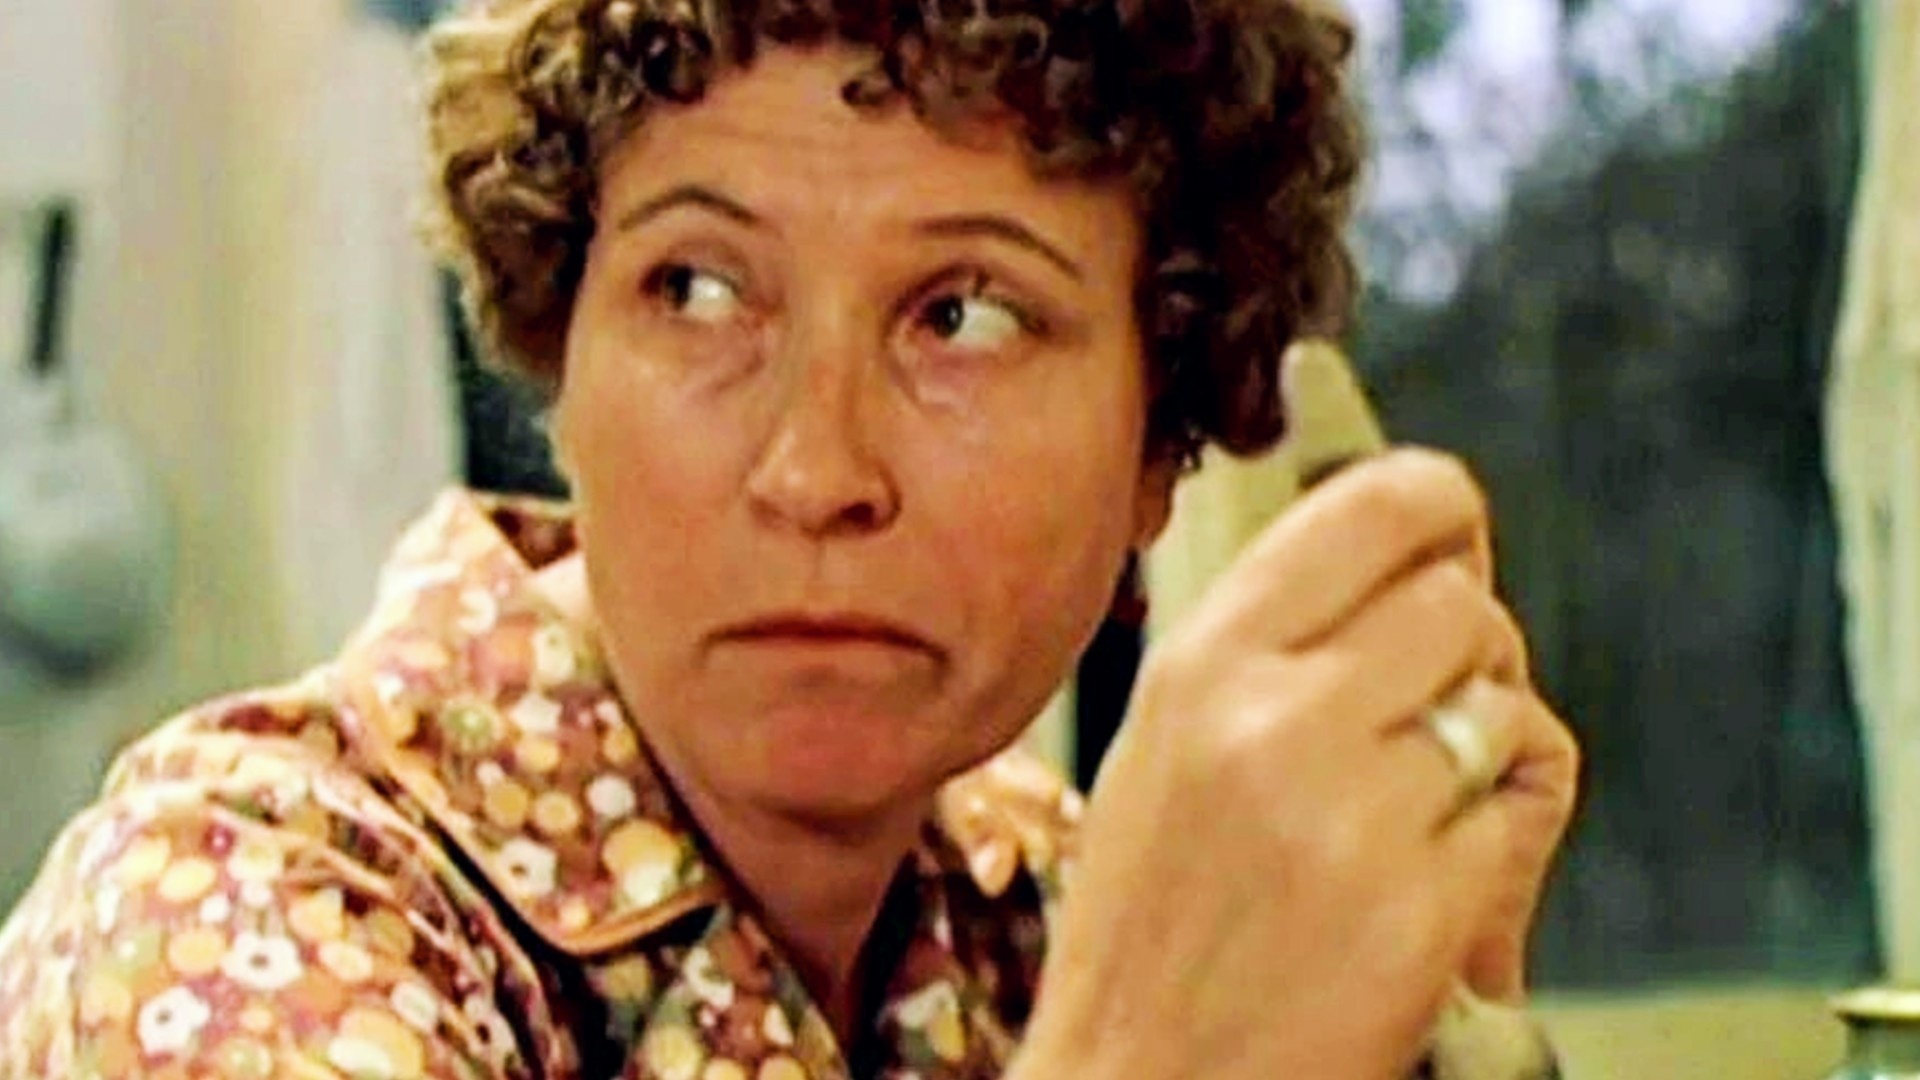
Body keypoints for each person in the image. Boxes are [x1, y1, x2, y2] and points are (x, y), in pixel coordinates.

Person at [0, 0, 1580, 1076]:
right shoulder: (233, 912)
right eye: (697, 290)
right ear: (560, 360)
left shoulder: (1036, 902)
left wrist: (1442, 1025)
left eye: (963, 315)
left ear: (1159, 450)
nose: (814, 469)